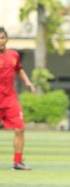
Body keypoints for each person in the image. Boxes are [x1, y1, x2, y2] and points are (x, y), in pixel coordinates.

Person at [0, 27, 36, 170]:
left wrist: (27, 82)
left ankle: (17, 162)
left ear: (7, 39)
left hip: (10, 99)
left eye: (2, 37)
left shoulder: (14, 55)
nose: (0, 41)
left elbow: (19, 69)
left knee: (20, 129)